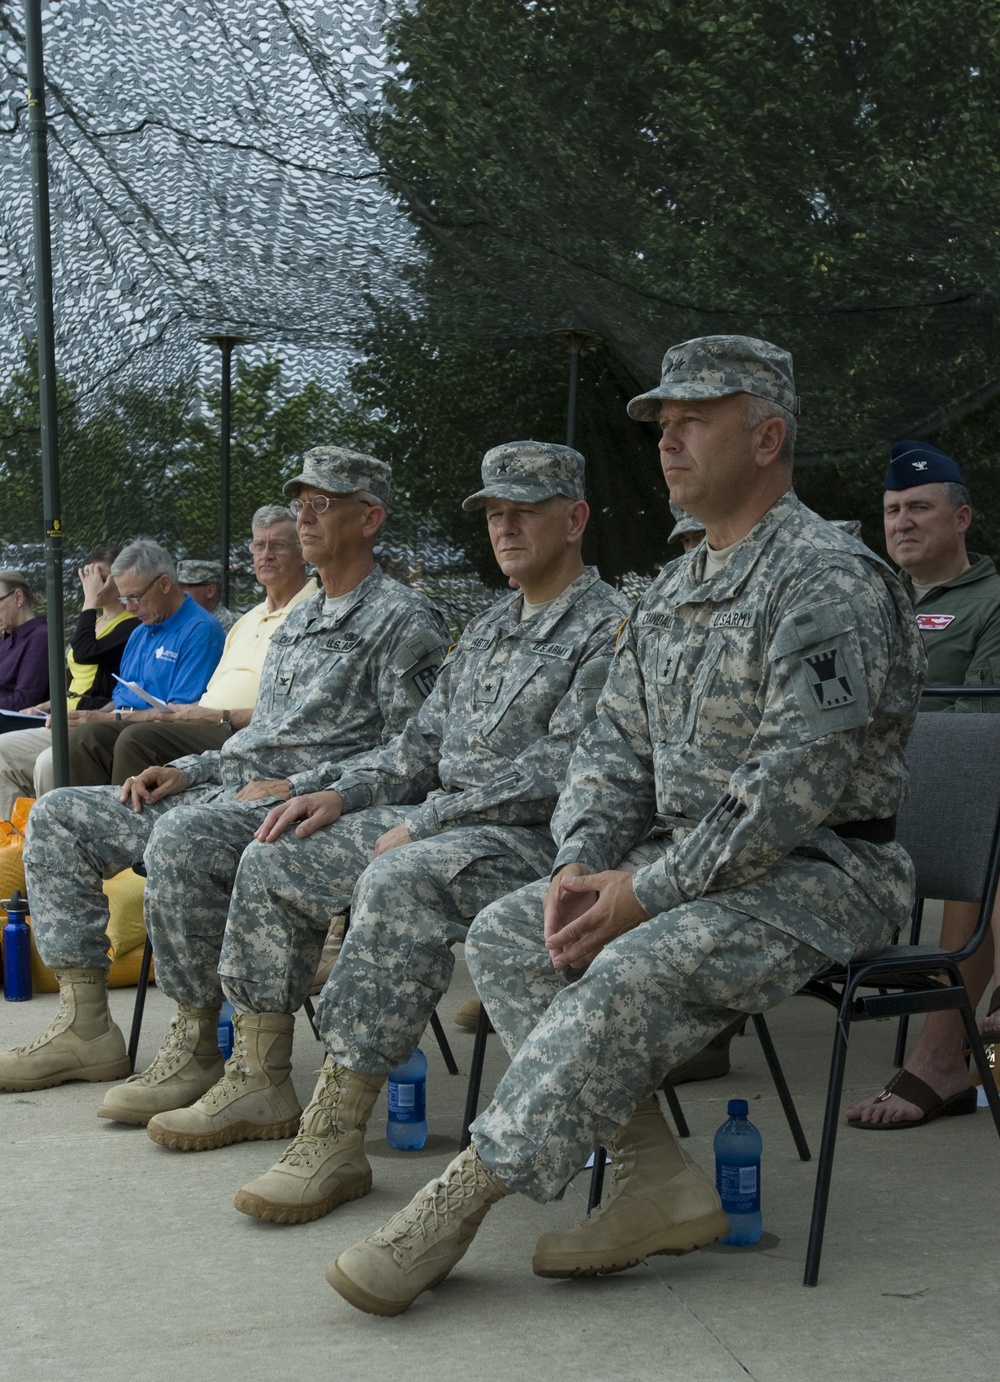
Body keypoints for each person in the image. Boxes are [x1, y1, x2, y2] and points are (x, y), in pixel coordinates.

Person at [322, 334, 925, 1318]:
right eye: (661, 423)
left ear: (766, 435)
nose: (666, 439)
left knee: (629, 960)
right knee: (513, 931)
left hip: (822, 871)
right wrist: (580, 862)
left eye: (693, 419)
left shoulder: (827, 580)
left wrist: (640, 891)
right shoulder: (674, 589)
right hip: (682, 865)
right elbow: (611, 752)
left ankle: (464, 1195)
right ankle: (652, 1174)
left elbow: (795, 783)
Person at [141, 441, 626, 1212]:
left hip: (542, 839)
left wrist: (427, 818)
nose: (504, 528)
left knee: (400, 877)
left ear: (574, 520)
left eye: (522, 512)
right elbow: (418, 745)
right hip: (443, 818)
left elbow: (560, 769)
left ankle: (337, 1130)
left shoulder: (609, 628)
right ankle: (261, 1080)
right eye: (495, 513)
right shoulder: (497, 622)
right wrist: (343, 792)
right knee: (277, 848)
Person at [0, 447, 447, 1108]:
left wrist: (301, 785)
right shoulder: (300, 620)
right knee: (61, 813)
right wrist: (185, 769)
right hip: (234, 788)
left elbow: (416, 755)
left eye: (322, 504)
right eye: (301, 504)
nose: (304, 519)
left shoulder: (405, 620)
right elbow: (261, 737)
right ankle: (84, 1026)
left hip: (317, 805)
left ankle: (197, 1043)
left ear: (370, 517)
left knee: (185, 833)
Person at [847, 439, 1000, 1128]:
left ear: (962, 517)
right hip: (868, 801)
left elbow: (985, 721)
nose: (902, 521)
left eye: (919, 508)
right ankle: (956, 1055)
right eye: (891, 510)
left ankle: (942, 1060)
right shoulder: (870, 603)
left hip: (953, 798)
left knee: (987, 829)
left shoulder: (992, 599)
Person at [66, 507, 317, 784]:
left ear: (303, 553)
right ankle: (87, 821)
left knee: (137, 739)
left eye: (278, 545)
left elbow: (301, 711)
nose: (266, 554)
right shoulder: (246, 621)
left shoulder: (315, 614)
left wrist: (215, 716)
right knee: (86, 736)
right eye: (259, 545)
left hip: (246, 732)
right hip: (205, 719)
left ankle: (125, 824)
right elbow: (208, 695)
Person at [55, 538, 226, 787]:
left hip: (164, 730)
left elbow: (178, 714)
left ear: (165, 584)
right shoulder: (141, 630)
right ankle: (82, 819)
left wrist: (108, 719)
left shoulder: (200, 630)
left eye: (134, 597)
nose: (131, 608)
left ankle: (120, 820)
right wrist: (90, 715)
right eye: (124, 600)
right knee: (82, 736)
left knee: (131, 738)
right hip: (126, 723)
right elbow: (121, 699)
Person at [0, 547, 139, 818]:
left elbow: (86, 652)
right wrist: (49, 703)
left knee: (40, 762)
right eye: (87, 577)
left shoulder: (130, 625)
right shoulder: (96, 622)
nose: (93, 584)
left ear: (118, 579)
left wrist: (89, 600)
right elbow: (79, 680)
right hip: (62, 714)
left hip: (87, 720)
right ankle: (11, 842)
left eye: (100, 577)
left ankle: (38, 839)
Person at [0, 570, 49, 712]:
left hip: (16, 723)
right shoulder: (7, 640)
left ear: (18, 597)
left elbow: (23, 701)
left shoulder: (40, 637)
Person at [177, 560, 238, 632]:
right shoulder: (182, 618)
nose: (179, 591)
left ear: (210, 591)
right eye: (177, 586)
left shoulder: (228, 625)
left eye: (185, 586)